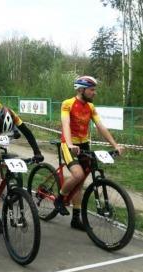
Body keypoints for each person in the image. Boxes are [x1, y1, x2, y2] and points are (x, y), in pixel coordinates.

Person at [54, 76, 123, 230]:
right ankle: (59, 198)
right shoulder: (68, 104)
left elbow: (101, 127)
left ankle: (76, 219)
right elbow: (66, 124)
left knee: (80, 182)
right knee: (77, 175)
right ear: (81, 90)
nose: (94, 93)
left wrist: (115, 145)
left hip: (84, 144)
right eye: (92, 90)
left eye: (94, 89)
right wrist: (70, 144)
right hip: (69, 143)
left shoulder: (91, 107)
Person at [0, 106, 44, 232]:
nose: (1, 132)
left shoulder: (13, 115)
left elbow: (27, 132)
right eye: (0, 130)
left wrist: (37, 152)